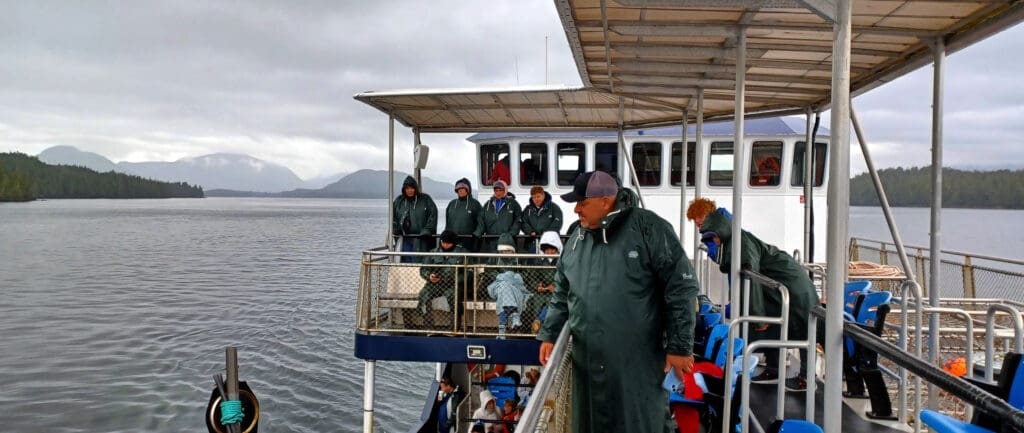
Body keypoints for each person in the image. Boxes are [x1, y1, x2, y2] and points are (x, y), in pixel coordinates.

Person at [536, 170, 700, 433]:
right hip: (587, 362)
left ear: (605, 200)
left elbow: (681, 286)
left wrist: (680, 347)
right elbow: (562, 292)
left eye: (582, 202)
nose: (576, 209)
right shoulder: (577, 239)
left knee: (640, 422)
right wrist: (550, 333)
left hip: (637, 362)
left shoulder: (648, 228)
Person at [699, 209, 819, 392]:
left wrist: (758, 316)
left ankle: (807, 378)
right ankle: (773, 369)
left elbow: (751, 276)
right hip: (781, 288)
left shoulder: (741, 244)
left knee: (804, 330)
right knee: (779, 328)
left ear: (721, 233)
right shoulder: (736, 242)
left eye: (713, 239)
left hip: (794, 289)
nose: (712, 245)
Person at [418, 230, 468, 326]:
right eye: (443, 242)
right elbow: (423, 269)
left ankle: (454, 327)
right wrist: (429, 276)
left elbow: (469, 273)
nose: (445, 245)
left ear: (453, 243)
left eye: (448, 243)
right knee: (424, 294)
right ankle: (429, 326)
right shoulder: (433, 253)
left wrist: (456, 279)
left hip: (454, 285)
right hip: (435, 284)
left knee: (453, 296)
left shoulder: (463, 254)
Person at [487, 234, 530, 339]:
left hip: (516, 286)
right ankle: (515, 316)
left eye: (507, 250)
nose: (504, 253)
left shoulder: (521, 257)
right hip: (497, 285)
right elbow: (488, 271)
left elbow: (527, 273)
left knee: (505, 290)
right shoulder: (494, 257)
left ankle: (502, 329)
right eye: (502, 251)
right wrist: (502, 276)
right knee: (504, 285)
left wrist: (514, 277)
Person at [393, 175, 438, 262]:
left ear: (415, 188)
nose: (410, 190)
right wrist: (396, 229)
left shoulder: (426, 199)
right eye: (407, 188)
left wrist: (427, 230)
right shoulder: (399, 201)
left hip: (421, 239)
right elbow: (393, 218)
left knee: (421, 262)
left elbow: (433, 215)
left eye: (412, 188)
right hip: (405, 239)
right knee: (405, 262)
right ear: (404, 189)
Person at [525, 231, 561, 333]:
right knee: (537, 303)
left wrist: (555, 287)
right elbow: (533, 277)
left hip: (555, 293)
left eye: (552, 249)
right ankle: (540, 326)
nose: (549, 252)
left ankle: (539, 323)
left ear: (557, 249)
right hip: (540, 293)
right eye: (547, 249)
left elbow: (565, 278)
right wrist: (537, 285)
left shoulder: (561, 262)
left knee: (552, 303)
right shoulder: (538, 261)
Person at [474, 180, 522, 253]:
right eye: (496, 190)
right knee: (491, 262)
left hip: (507, 241)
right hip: (490, 240)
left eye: (501, 190)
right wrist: (477, 234)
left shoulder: (513, 204)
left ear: (505, 190)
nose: (498, 192)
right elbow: (481, 220)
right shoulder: (488, 204)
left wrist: (511, 234)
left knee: (505, 262)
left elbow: (518, 220)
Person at [521, 186, 563, 250]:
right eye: (534, 197)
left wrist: (547, 234)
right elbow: (523, 222)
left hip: (549, 243)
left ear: (543, 195)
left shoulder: (554, 208)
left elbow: (558, 222)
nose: (536, 199)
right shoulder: (528, 209)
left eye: (538, 196)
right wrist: (530, 231)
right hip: (532, 243)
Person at [446, 178, 482, 251]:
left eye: (463, 188)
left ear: (468, 189)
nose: (460, 190)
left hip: (469, 241)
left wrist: (476, 236)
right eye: (458, 188)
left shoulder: (475, 204)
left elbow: (481, 223)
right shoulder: (451, 204)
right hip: (453, 241)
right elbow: (447, 224)